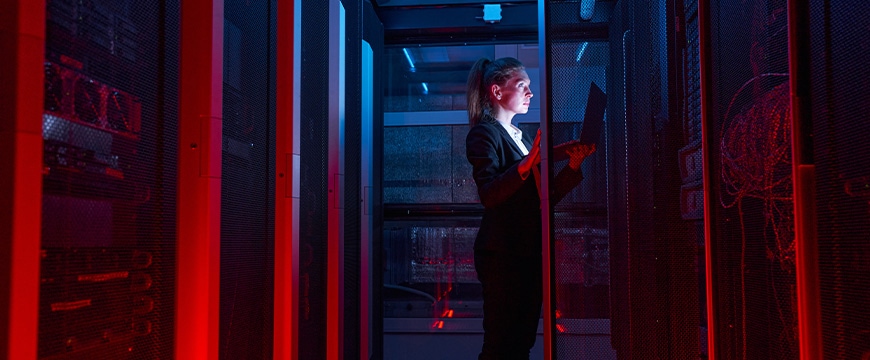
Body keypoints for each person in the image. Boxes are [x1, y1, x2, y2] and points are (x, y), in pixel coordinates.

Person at [465, 57, 596, 360]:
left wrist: (573, 164)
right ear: (497, 92)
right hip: (503, 255)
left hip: (526, 252)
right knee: (501, 343)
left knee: (521, 341)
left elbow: (541, 198)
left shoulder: (521, 137)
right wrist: (527, 162)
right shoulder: (484, 135)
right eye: (521, 85)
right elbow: (489, 193)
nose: (530, 93)